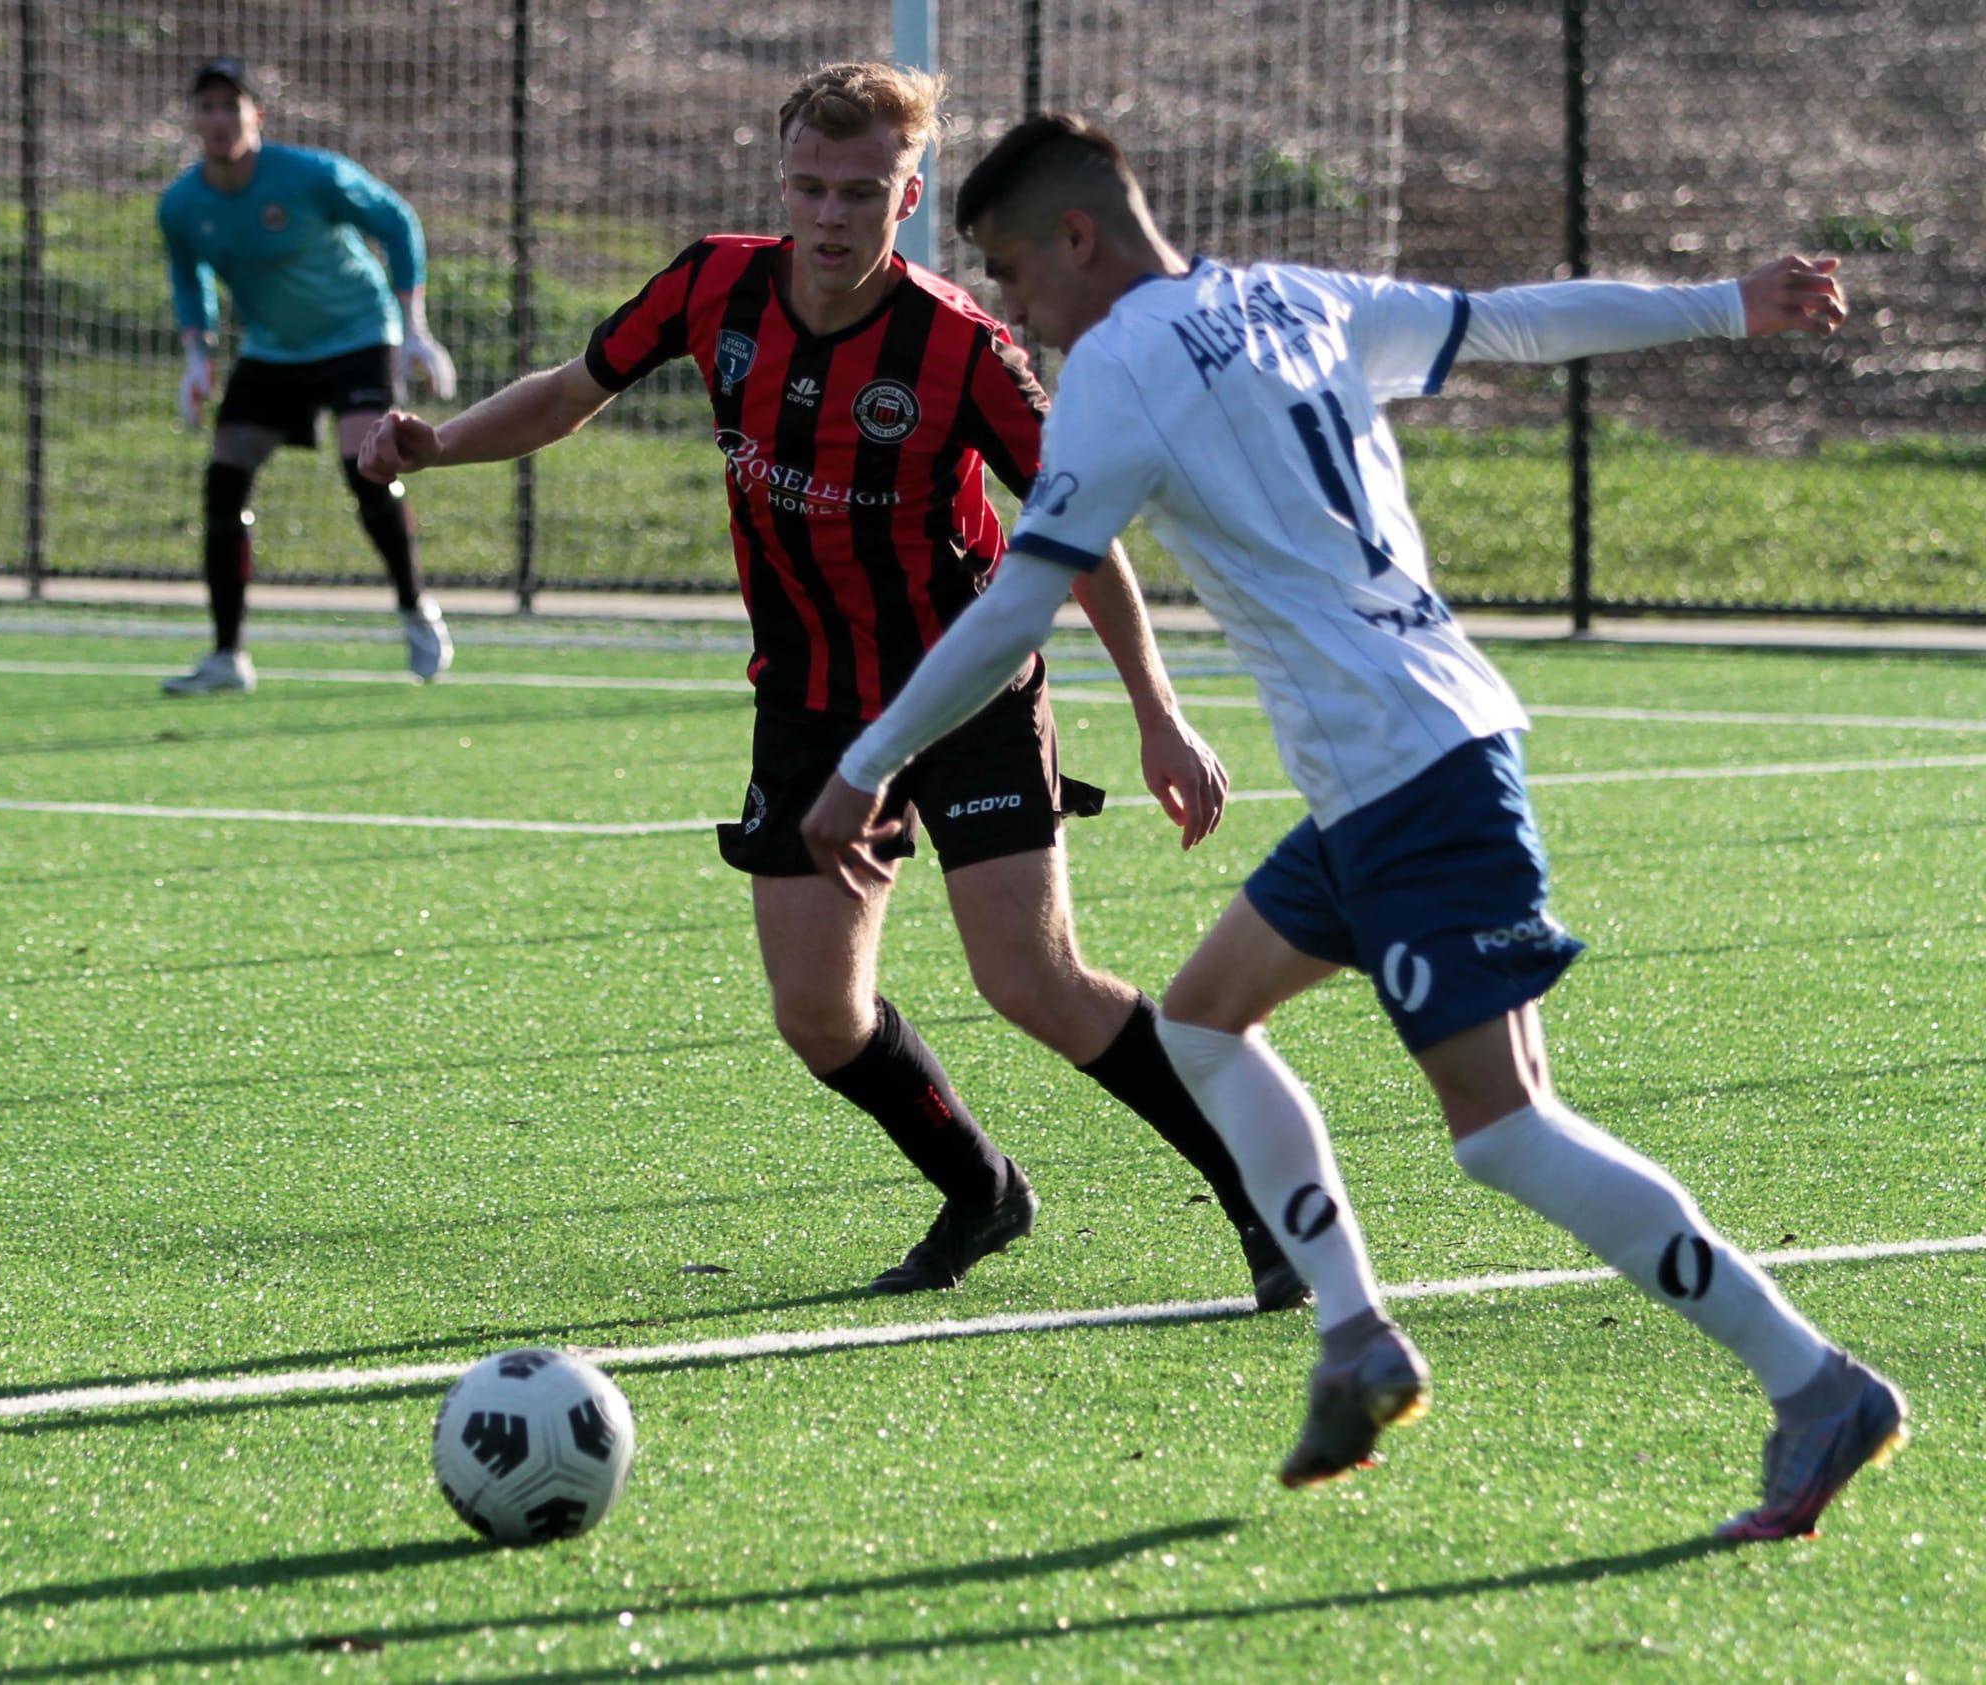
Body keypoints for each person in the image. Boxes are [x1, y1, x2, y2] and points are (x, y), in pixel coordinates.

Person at [802, 113, 1908, 1541]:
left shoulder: (1120, 369)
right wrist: (1724, 303)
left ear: (1078, 237)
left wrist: (867, 763)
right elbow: (1513, 323)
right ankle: (1355, 1336)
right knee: (1201, 1022)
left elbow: (1020, 600)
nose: (1011, 307)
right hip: (1394, 764)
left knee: (1505, 1131)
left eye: (1012, 272)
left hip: (1408, 775)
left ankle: (1813, 1383)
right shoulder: (1297, 298)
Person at [358, 64, 1305, 1309]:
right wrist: (439, 446)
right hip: (808, 697)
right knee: (817, 1013)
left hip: (963, 690)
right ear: (780, 181)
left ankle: (1265, 1201)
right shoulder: (711, 285)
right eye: (808, 185)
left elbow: (1081, 534)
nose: (830, 213)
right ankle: (982, 1189)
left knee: (1031, 981)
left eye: (862, 192)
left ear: (907, 198)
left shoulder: (960, 347)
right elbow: (570, 393)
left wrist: (1157, 712)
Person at [157, 56, 459, 694]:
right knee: (223, 479)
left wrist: (415, 330)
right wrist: (196, 358)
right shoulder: (182, 205)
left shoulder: (311, 175)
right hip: (274, 350)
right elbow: (188, 277)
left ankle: (415, 611)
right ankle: (227, 657)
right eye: (206, 107)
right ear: (193, 119)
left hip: (358, 334)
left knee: (365, 467)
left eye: (230, 105)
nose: (218, 118)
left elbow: (397, 221)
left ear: (256, 116)